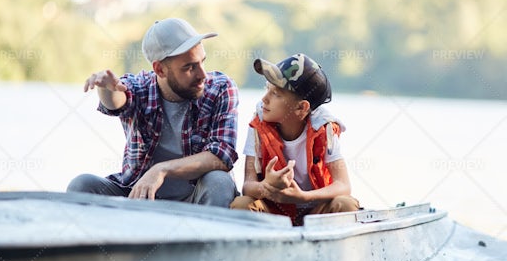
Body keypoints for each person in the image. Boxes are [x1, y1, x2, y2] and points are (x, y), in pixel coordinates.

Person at [67, 18, 239, 206]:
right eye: (189, 67)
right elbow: (118, 101)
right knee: (82, 185)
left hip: (195, 202)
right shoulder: (140, 87)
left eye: (202, 62)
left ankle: (203, 236)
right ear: (160, 69)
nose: (202, 75)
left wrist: (161, 170)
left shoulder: (221, 88)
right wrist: (106, 88)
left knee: (219, 181)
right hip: (138, 198)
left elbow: (222, 157)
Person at [230, 53, 359, 225]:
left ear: (301, 107)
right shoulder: (258, 125)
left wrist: (304, 197)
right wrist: (266, 187)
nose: (264, 99)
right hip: (274, 212)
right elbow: (248, 185)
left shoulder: (323, 127)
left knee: (345, 204)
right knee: (241, 205)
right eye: (267, 88)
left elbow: (343, 185)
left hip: (316, 211)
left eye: (276, 94)